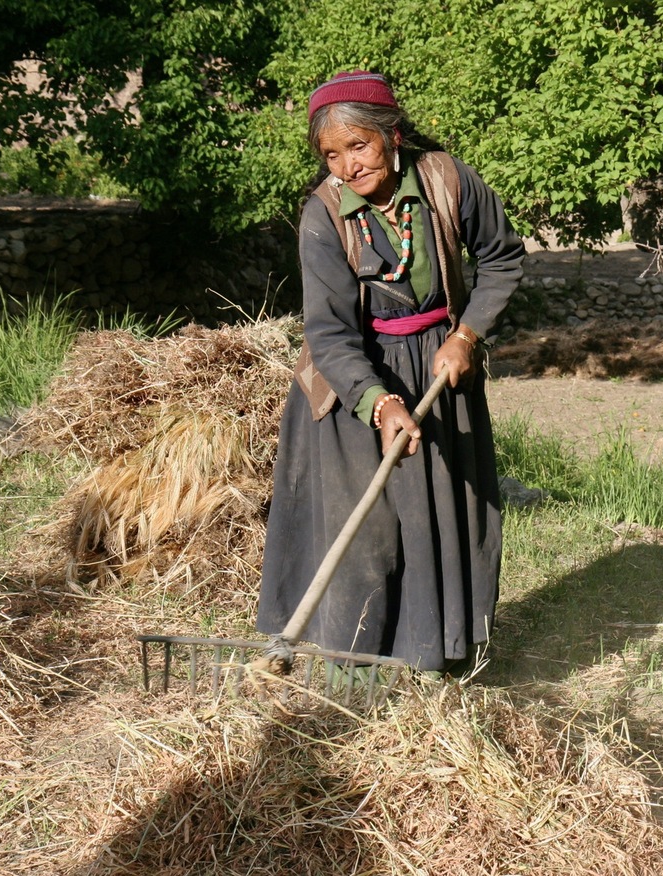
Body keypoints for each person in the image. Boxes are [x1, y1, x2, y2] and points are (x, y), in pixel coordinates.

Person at [256, 70, 524, 674]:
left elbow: (502, 257)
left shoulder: (447, 181)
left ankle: (434, 658)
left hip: (440, 368)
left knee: (440, 517)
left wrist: (466, 335)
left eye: (359, 146)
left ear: (392, 135)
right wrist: (379, 404)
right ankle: (351, 663)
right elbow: (328, 332)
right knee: (365, 532)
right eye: (332, 155)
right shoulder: (324, 215)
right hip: (352, 380)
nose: (347, 166)